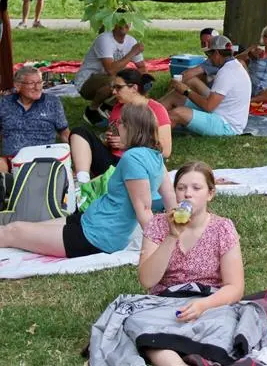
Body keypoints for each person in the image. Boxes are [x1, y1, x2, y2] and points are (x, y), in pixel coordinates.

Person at [0, 103, 175, 257]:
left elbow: (144, 210)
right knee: (20, 226)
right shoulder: (156, 157)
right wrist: (179, 233)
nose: (116, 127)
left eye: (120, 123)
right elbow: (171, 200)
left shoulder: (133, 158)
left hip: (95, 237)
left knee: (14, 231)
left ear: (132, 127)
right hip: (91, 221)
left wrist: (160, 250)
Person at [138, 161, 244, 366]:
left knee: (226, 328)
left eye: (196, 188)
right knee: (142, 327)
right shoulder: (158, 225)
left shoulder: (222, 228)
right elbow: (147, 280)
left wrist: (203, 305)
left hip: (210, 302)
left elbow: (235, 287)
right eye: (181, 188)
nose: (187, 194)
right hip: (165, 303)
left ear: (210, 194)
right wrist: (171, 236)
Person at [70, 69, 172, 183]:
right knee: (80, 132)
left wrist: (128, 143)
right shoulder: (117, 108)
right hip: (112, 163)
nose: (114, 92)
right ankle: (82, 180)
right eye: (113, 87)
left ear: (134, 88)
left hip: (137, 165)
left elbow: (166, 151)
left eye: (118, 87)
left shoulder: (156, 109)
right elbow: (114, 137)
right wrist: (108, 140)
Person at [168, 35, 251, 136]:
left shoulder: (226, 72)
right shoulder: (234, 65)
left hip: (227, 125)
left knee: (177, 113)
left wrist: (186, 91)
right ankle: (151, 116)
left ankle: (156, 138)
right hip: (219, 113)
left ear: (216, 53)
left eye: (209, 54)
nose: (209, 58)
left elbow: (208, 106)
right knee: (175, 96)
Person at [73, 17, 147, 126]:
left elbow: (142, 68)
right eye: (121, 20)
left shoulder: (131, 41)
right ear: (114, 22)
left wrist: (140, 80)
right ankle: (91, 110)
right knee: (115, 81)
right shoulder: (104, 39)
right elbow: (111, 70)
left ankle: (110, 107)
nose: (124, 24)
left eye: (127, 20)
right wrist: (132, 52)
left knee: (142, 80)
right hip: (86, 82)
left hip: (110, 79)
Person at [0, 66, 69, 173]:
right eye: (31, 83)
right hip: (12, 161)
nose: (37, 87)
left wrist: (71, 157)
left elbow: (64, 133)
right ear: (18, 86)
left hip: (43, 160)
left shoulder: (52, 102)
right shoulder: (4, 103)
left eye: (39, 82)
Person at [159, 28, 221, 111]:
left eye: (209, 42)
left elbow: (188, 73)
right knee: (196, 78)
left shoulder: (216, 58)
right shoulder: (224, 57)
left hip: (217, 101)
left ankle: (157, 106)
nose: (206, 46)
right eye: (203, 43)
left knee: (189, 80)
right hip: (218, 96)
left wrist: (174, 84)